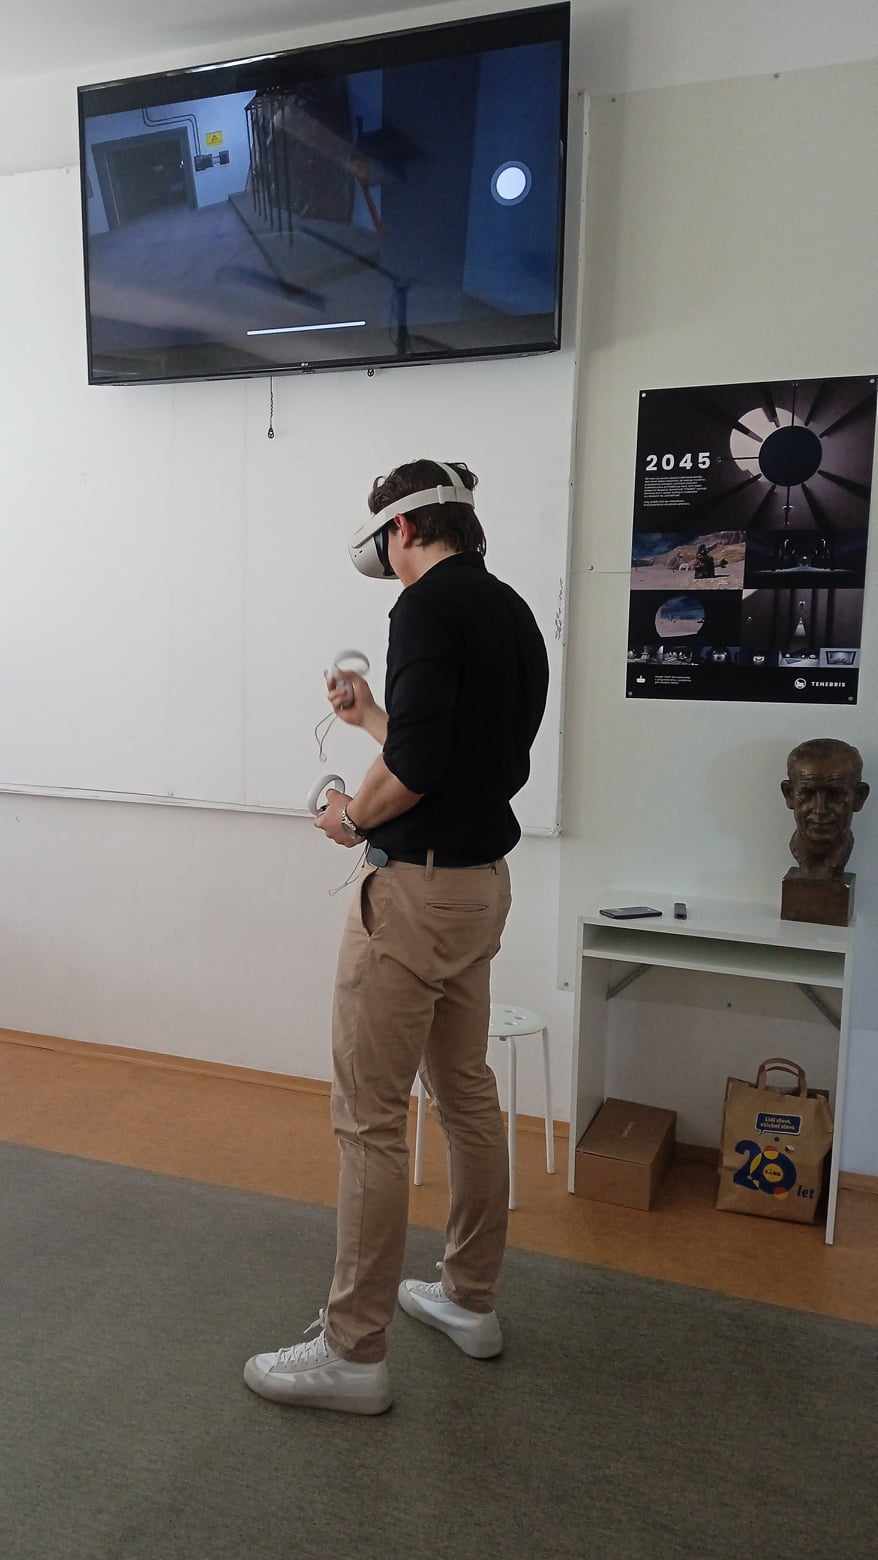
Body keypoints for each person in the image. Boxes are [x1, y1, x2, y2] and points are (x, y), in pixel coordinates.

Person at [245, 459, 549, 1414]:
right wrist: (373, 718)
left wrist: (348, 816)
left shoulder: (421, 609)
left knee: (370, 1119)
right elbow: (456, 751)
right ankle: (471, 1299)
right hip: (479, 889)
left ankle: (353, 1352)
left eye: (383, 532)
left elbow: (414, 773)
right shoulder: (510, 610)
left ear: (404, 529)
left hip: (412, 896)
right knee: (465, 1095)